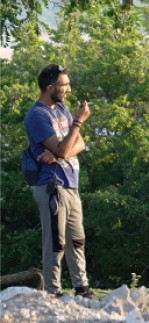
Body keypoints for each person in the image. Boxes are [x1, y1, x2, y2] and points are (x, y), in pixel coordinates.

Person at [23, 64, 95, 298]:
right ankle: (54, 292)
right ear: (50, 87)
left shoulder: (61, 109)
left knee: (77, 239)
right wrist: (78, 122)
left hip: (70, 182)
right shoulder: (37, 115)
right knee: (56, 241)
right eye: (64, 85)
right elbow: (67, 145)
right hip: (51, 184)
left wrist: (58, 153)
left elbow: (80, 145)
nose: (68, 89)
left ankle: (82, 289)